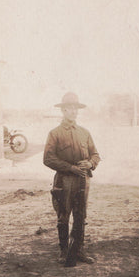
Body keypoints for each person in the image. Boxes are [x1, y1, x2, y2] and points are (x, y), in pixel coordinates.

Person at [43, 92, 100, 267]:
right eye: (69, 109)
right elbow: (48, 158)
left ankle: (78, 250)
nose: (73, 112)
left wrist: (89, 164)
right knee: (63, 215)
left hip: (83, 179)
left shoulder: (85, 132)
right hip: (65, 180)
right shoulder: (55, 133)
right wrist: (70, 168)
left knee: (80, 215)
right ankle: (64, 251)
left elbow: (96, 155)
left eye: (75, 108)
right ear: (63, 110)